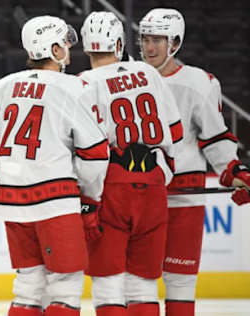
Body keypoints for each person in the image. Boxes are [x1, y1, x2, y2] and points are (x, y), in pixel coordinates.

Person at [0, 15, 109, 316]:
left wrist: (19, 164)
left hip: (11, 200)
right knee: (66, 285)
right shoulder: (73, 87)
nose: (69, 51)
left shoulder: (4, 85)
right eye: (65, 44)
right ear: (55, 50)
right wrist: (89, 196)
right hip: (55, 200)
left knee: (29, 286)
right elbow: (97, 153)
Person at [139, 8, 250, 316]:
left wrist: (232, 171)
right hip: (139, 195)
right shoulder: (126, 79)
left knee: (180, 285)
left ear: (174, 42)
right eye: (145, 39)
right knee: (139, 284)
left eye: (157, 40)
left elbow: (215, 137)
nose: (149, 47)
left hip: (184, 195)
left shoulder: (199, 82)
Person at [78, 11, 183, 316]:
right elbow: (174, 131)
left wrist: (86, 200)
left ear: (86, 47)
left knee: (108, 283)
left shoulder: (83, 83)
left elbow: (85, 151)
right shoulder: (148, 73)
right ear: (120, 43)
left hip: (111, 184)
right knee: (144, 284)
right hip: (152, 184)